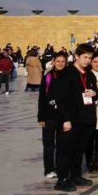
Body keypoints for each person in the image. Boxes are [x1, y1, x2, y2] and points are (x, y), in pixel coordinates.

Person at [50, 44, 98, 191]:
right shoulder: (66, 73)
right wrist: (65, 119)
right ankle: (62, 179)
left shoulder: (89, 74)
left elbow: (95, 91)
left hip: (86, 119)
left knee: (79, 149)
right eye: (85, 57)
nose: (87, 60)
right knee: (66, 150)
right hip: (71, 119)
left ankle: (75, 175)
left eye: (90, 58)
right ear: (77, 57)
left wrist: (95, 93)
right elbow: (59, 98)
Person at [37, 52, 67, 180]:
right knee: (48, 144)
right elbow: (42, 98)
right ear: (53, 62)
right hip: (49, 115)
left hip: (63, 115)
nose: (60, 64)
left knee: (62, 143)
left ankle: (60, 167)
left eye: (62, 61)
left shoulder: (68, 76)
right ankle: (49, 169)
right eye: (58, 61)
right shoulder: (48, 76)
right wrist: (41, 117)